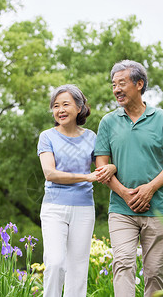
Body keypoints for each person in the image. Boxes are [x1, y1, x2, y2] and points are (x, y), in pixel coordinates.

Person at [94, 60, 163, 297]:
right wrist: (124, 192)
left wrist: (150, 189)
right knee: (123, 263)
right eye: (113, 85)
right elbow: (101, 164)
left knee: (155, 272)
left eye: (122, 83)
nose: (116, 90)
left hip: (157, 208)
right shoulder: (108, 122)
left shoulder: (162, 119)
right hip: (121, 209)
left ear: (139, 84)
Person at [37, 84, 116, 297]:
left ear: (79, 108)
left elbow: (103, 167)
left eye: (65, 104)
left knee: (78, 269)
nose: (60, 110)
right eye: (55, 106)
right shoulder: (47, 136)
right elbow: (50, 174)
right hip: (54, 207)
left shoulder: (91, 137)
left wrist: (112, 167)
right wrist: (86, 177)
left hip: (83, 209)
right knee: (54, 263)